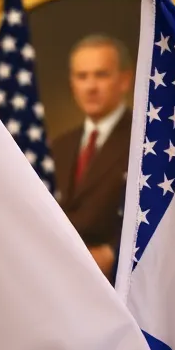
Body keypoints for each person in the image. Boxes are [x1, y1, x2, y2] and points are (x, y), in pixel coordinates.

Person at [50, 34, 134, 281]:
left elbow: (163, 215)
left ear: (125, 79)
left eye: (101, 75)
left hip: (118, 285)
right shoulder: (59, 145)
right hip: (62, 282)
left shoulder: (143, 141)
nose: (91, 86)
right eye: (82, 76)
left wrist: (113, 253)